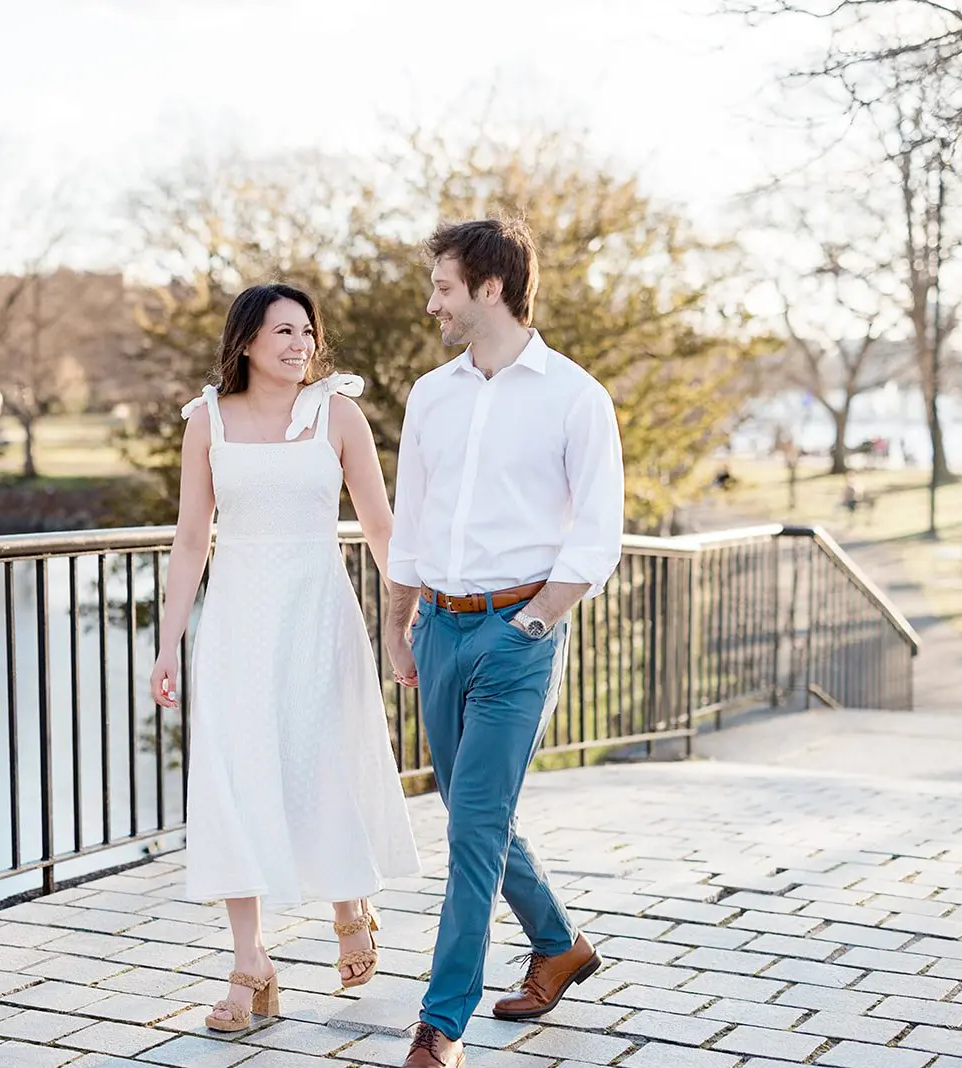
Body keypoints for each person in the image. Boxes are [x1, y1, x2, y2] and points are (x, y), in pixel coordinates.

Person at [383, 219, 625, 1068]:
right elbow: (408, 522)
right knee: (470, 812)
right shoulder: (430, 394)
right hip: (439, 628)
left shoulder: (574, 396)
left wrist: (534, 622)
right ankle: (559, 945)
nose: (431, 303)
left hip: (518, 635)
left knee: (473, 826)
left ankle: (439, 1024)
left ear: (490, 288)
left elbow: (597, 536)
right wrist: (398, 624)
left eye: (444, 287)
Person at [149, 283, 420, 1033]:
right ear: (244, 343)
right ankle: (251, 964)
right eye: (282, 332)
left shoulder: (339, 413)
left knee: (322, 757)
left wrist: (407, 621)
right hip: (237, 622)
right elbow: (189, 537)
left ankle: (348, 904)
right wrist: (168, 642)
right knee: (235, 778)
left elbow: (380, 524)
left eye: (307, 331)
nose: (300, 344)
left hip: (318, 615)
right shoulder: (206, 421)